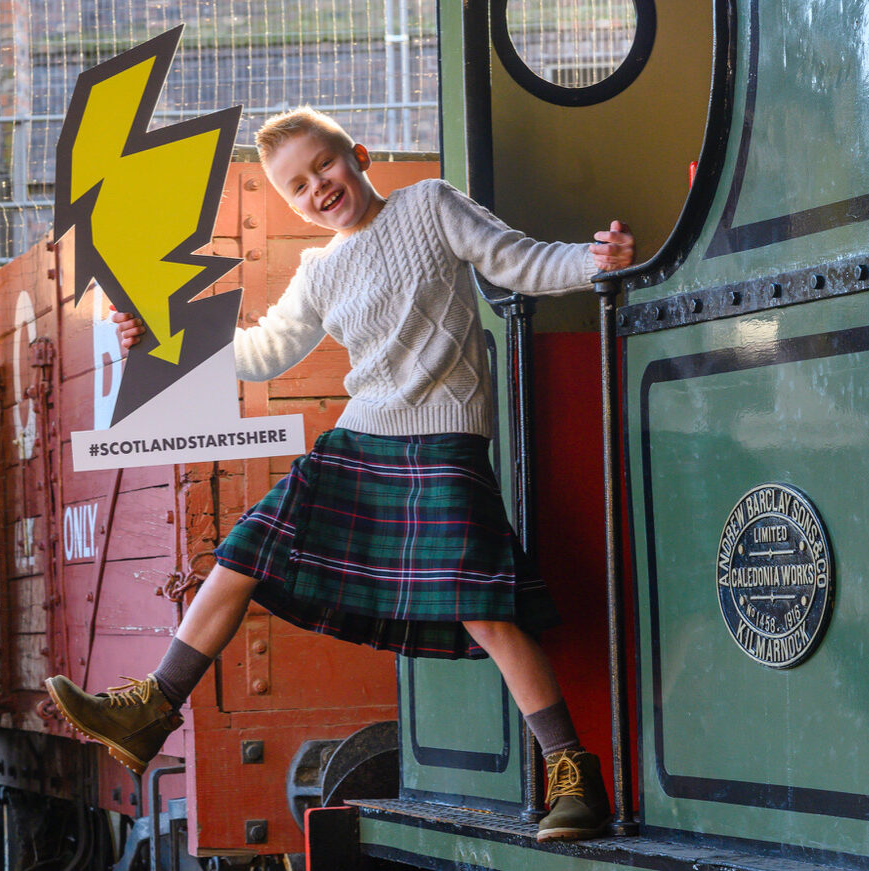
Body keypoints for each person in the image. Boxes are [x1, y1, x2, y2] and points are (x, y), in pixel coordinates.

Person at [45, 106, 635, 842]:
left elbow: (516, 260)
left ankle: (573, 774)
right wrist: (162, 333)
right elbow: (262, 351)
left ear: (355, 154)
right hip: (357, 443)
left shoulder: (429, 203)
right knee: (240, 557)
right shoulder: (318, 269)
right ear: (290, 203)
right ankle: (150, 707)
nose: (315, 187)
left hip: (442, 442)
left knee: (488, 609)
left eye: (322, 166)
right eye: (296, 186)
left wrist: (593, 260)